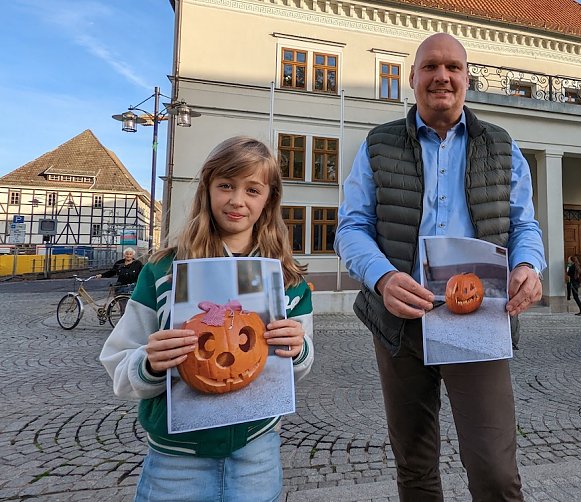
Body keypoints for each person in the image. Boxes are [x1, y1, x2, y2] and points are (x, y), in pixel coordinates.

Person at [335, 33, 545, 501]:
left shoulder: (502, 146)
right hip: (400, 320)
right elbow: (351, 227)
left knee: (494, 468)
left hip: (479, 317)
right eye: (430, 66)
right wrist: (383, 277)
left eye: (453, 67)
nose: (441, 76)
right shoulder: (378, 144)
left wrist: (530, 264)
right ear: (412, 77)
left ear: (468, 79)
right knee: (414, 464)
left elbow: (524, 225)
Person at [99, 137, 314, 501]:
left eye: (252, 189)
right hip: (176, 462)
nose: (237, 200)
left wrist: (298, 350)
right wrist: (149, 363)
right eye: (226, 185)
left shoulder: (288, 282)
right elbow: (119, 364)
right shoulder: (163, 271)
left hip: (256, 454)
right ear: (207, 189)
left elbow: (297, 368)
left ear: (269, 199)